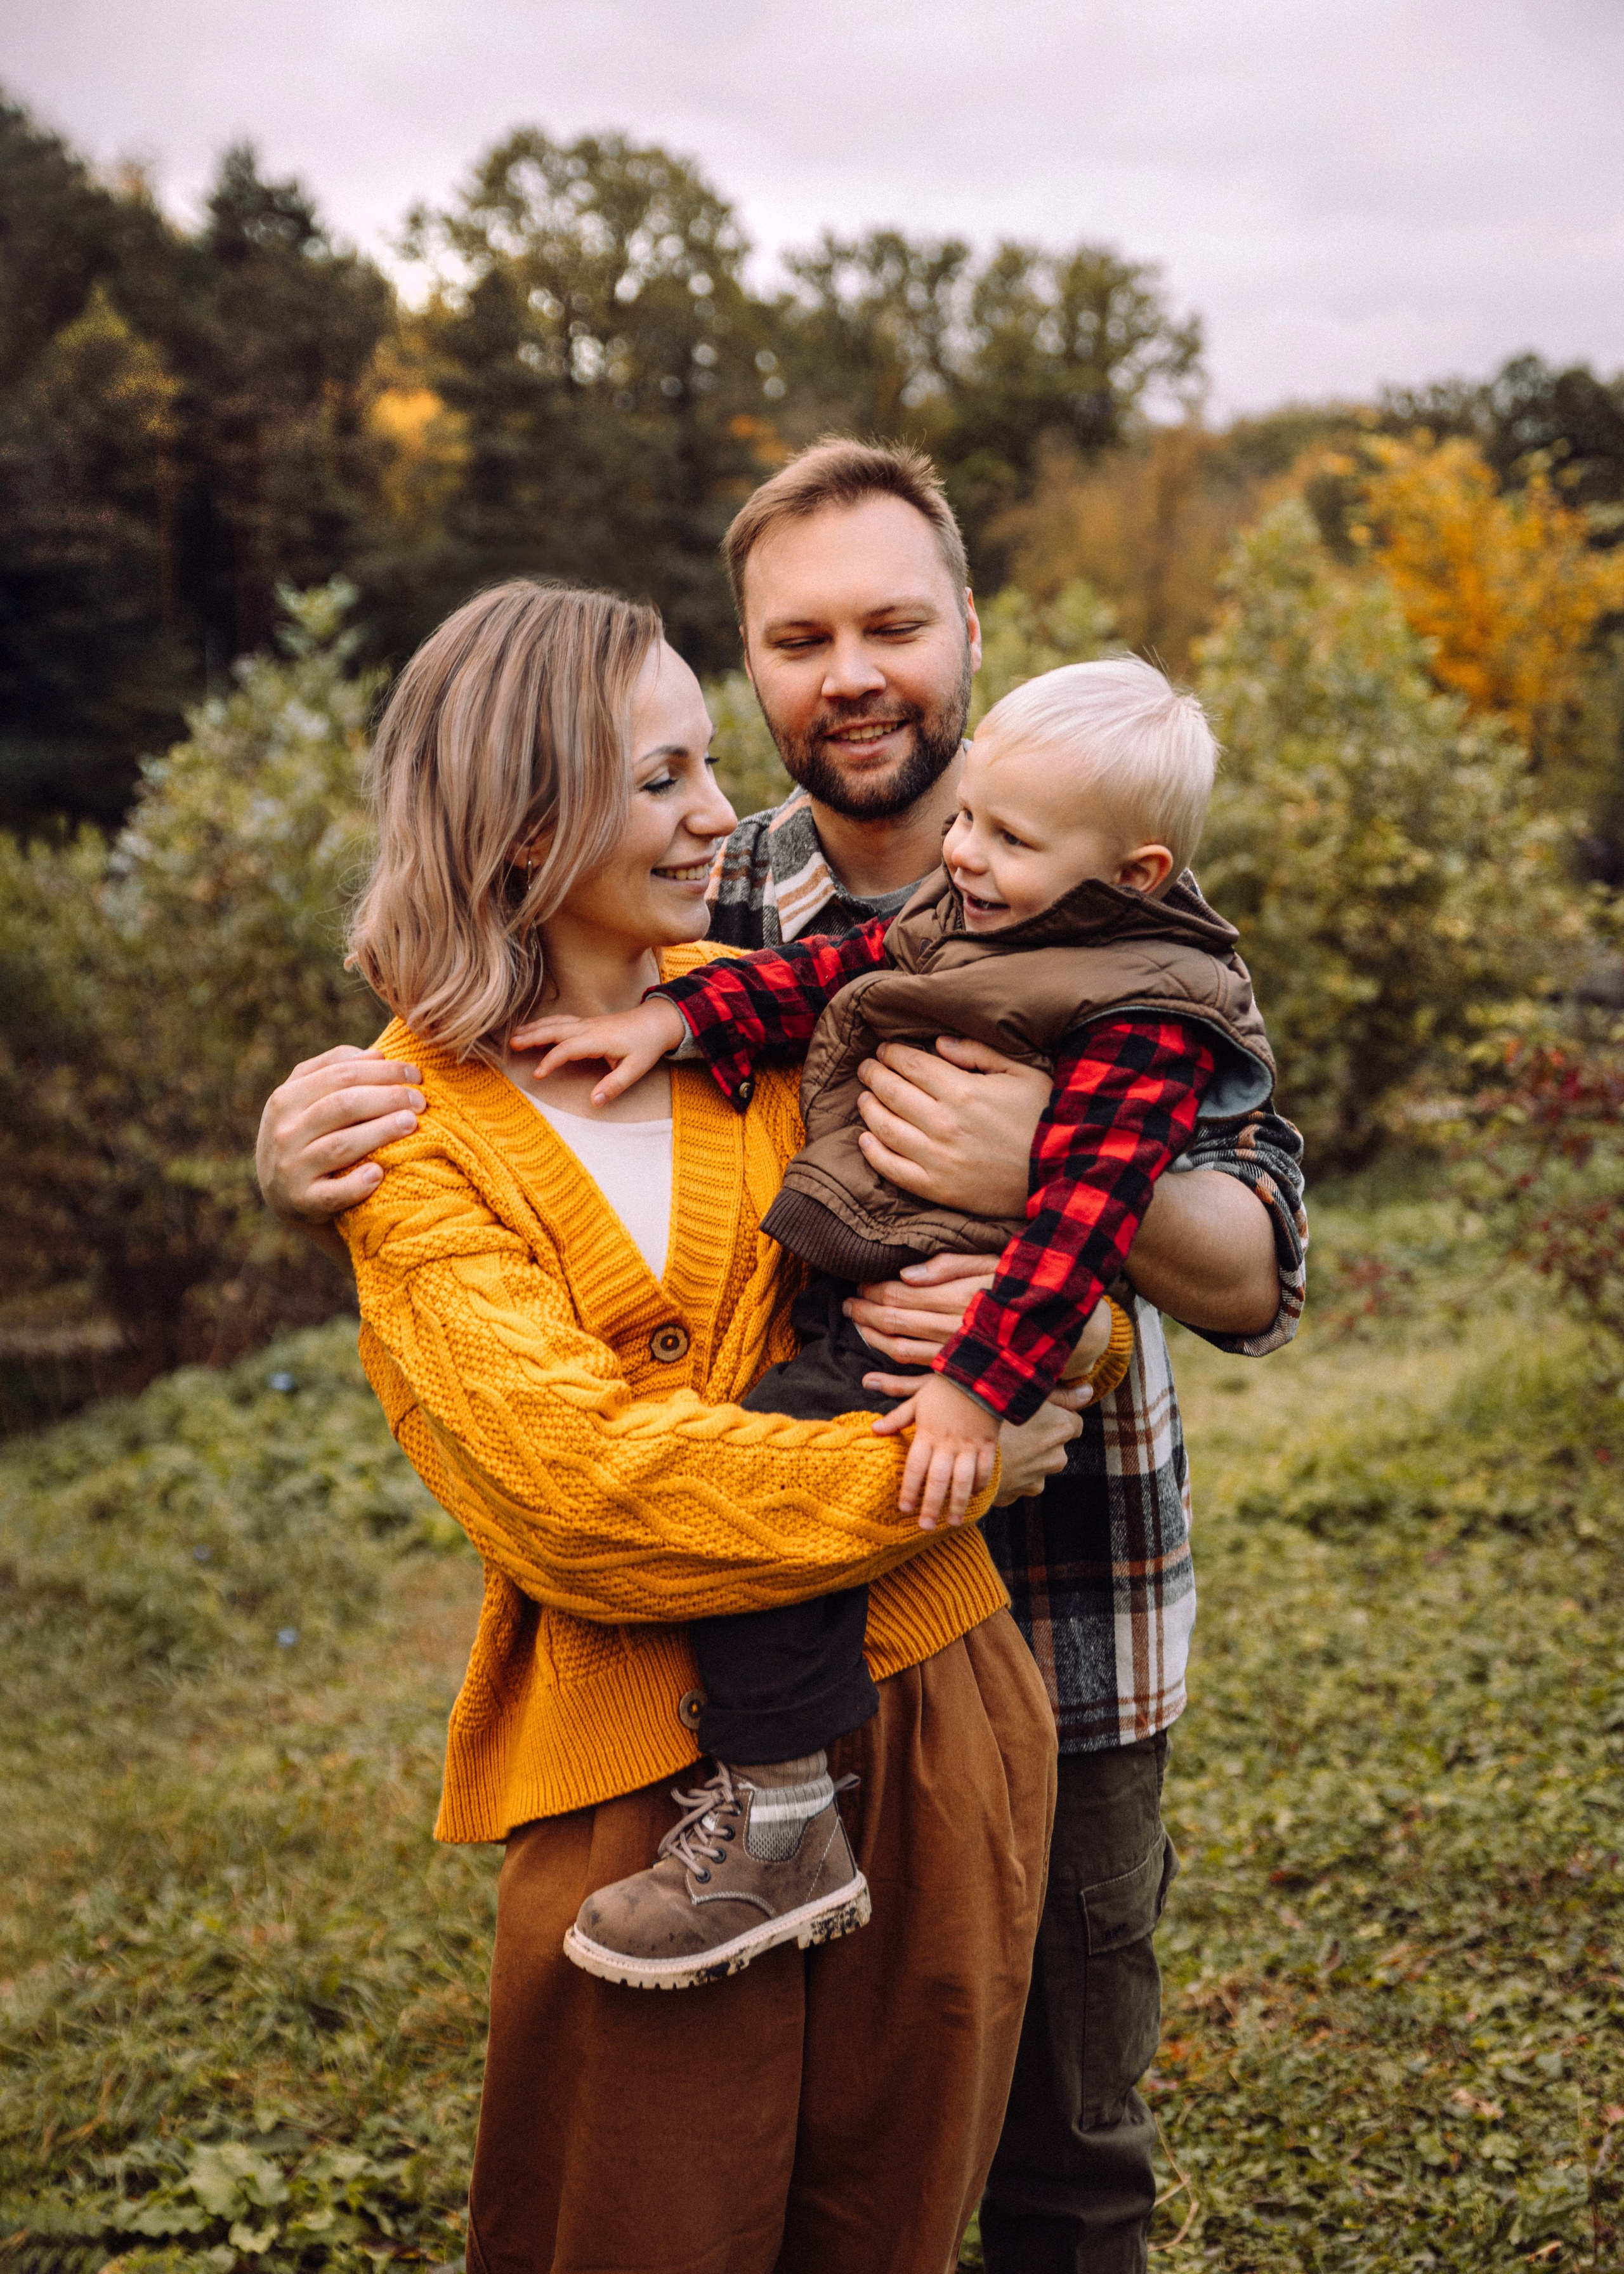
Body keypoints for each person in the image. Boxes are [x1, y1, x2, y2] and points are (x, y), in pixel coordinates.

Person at [258, 440, 1307, 2274]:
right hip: (752, 1647)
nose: (851, 674)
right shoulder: (721, 897)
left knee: (1052, 2145)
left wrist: (1048, 1183)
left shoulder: (1119, 896)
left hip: (1055, 1613)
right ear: (751, 656)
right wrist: (302, 1157)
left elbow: (1254, 1256)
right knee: (693, 2182)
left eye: (895, 623)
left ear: (968, 633)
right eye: (799, 637)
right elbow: (524, 1044)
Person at [328, 575, 1085, 2273]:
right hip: (643, 1782)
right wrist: (933, 1467)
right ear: (524, 829)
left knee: (887, 2226)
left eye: (703, 763)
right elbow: (582, 1501)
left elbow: (1031, 1262)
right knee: (635, 2229)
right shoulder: (412, 1136)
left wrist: (1048, 1348)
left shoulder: (788, 1015)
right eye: (660, 779)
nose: (720, 812)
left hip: (935, 1717)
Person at [521, 655, 1278, 1994]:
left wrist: (976, 1386)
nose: (966, 853)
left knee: (758, 1485)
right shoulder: (948, 905)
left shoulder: (1147, 1006)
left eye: (1006, 838)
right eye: (970, 819)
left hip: (963, 1375)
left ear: (1138, 870)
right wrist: (678, 1016)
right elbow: (833, 972)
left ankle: (778, 1818)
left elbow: (1082, 1227)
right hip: (869, 1310)